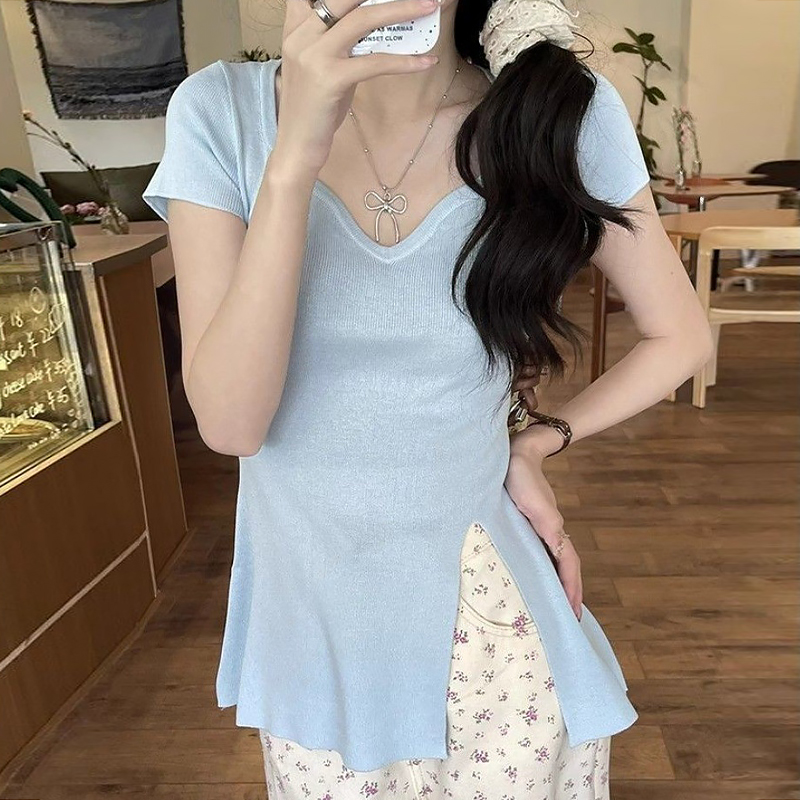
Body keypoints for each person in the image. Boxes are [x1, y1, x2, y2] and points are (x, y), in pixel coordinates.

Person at [142, 0, 714, 796]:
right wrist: (294, 156)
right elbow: (234, 423)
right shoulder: (221, 112)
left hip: (493, 642)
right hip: (315, 642)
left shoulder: (551, 110)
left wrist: (536, 441)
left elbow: (680, 337)